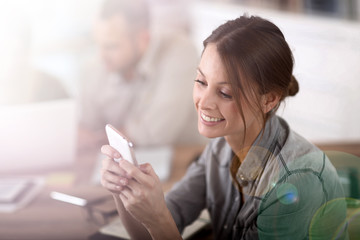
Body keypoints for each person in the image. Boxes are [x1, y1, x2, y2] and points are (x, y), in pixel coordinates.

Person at [100, 15, 348, 239]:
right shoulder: (219, 151)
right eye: (201, 81)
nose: (203, 102)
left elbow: (160, 224)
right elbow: (148, 233)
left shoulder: (298, 180)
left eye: (225, 93)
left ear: (269, 100)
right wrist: (122, 190)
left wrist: (158, 219)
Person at [78, 0, 202, 150]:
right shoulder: (98, 65)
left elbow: (157, 132)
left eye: (111, 46)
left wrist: (99, 138)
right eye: (98, 44)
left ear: (143, 38)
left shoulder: (179, 52)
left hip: (183, 160)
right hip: (123, 159)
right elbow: (86, 127)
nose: (101, 55)